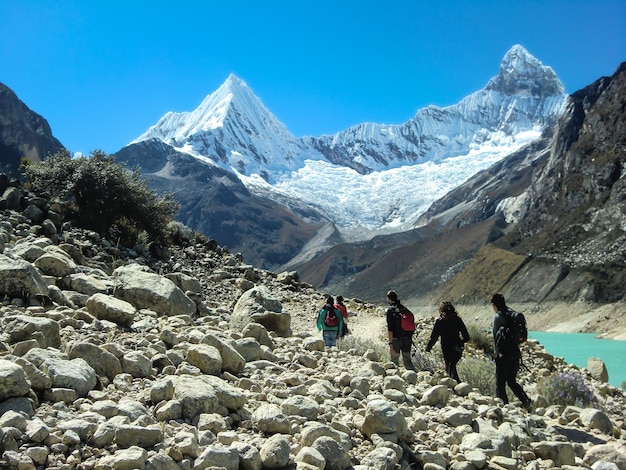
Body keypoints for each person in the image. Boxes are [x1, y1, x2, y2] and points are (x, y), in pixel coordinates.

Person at [491, 293, 532, 409]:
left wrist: (496, 353)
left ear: (494, 305)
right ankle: (526, 401)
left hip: (503, 354)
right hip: (515, 353)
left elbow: (496, 337)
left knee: (500, 383)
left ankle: (504, 407)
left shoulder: (498, 317)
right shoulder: (512, 315)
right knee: (511, 381)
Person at [425, 301, 470, 382]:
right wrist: (459, 343)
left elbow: (434, 337)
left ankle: (455, 386)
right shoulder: (458, 319)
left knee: (449, 367)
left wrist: (428, 347)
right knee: (452, 367)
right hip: (457, 348)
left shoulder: (440, 321)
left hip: (446, 348)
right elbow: (467, 337)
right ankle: (456, 385)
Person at [385, 290, 416, 371]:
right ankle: (413, 378)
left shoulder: (390, 311)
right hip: (407, 339)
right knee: (407, 360)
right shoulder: (405, 309)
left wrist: (390, 343)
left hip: (396, 340)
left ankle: (394, 380)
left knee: (394, 361)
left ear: (389, 299)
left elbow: (390, 329)